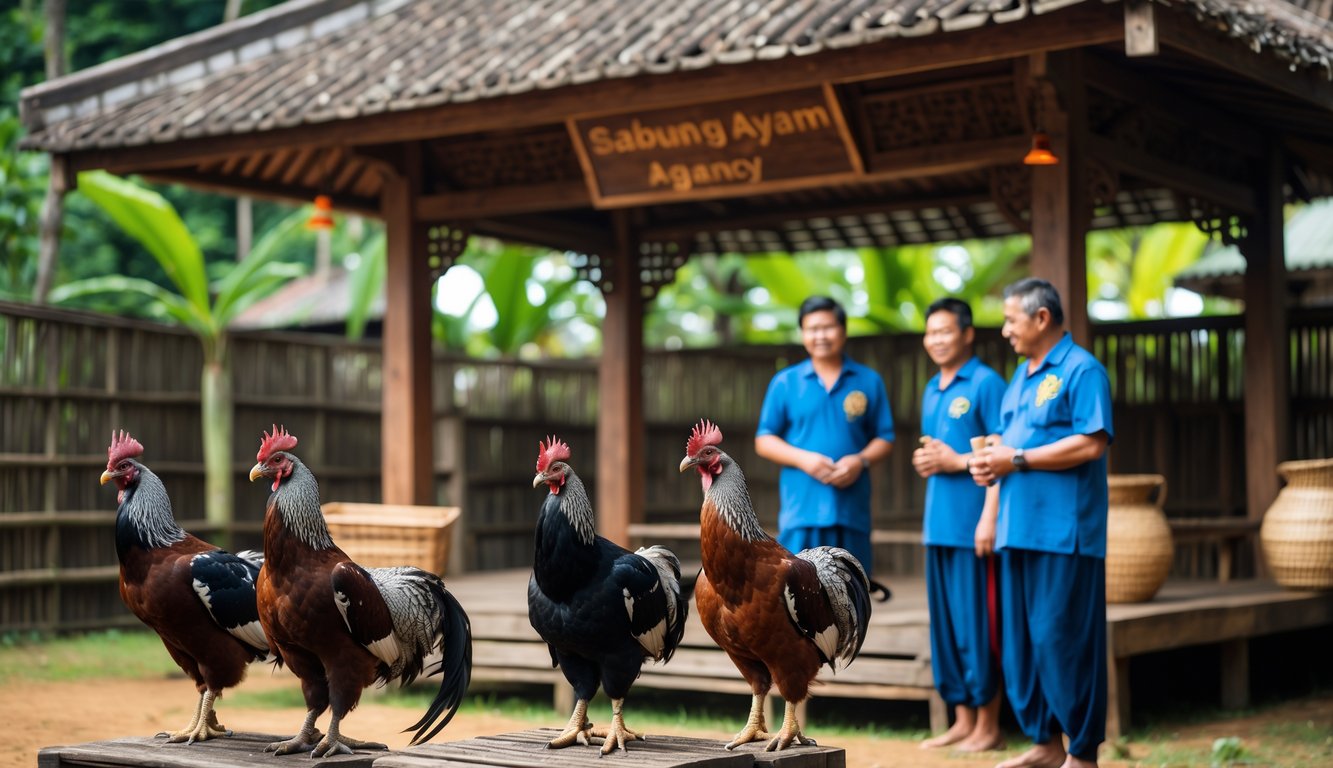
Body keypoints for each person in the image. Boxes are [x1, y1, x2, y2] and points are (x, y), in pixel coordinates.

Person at [970, 278, 1113, 768]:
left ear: (1042, 318)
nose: (1005, 329)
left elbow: (1092, 442)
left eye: (1011, 319)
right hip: (1018, 529)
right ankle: (1045, 744)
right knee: (1023, 645)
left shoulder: (1081, 369)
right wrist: (990, 461)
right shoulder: (1020, 377)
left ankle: (1083, 753)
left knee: (1062, 639)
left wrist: (1017, 458)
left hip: (1064, 534)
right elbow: (1008, 444)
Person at [912, 298, 1007, 752]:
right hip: (939, 525)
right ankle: (961, 720)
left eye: (946, 331)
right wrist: (930, 462)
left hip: (974, 527)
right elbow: (944, 454)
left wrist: (990, 517)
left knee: (978, 626)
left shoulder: (987, 383)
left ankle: (989, 725)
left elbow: (1002, 454)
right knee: (947, 628)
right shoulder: (932, 387)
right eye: (931, 333)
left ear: (967, 334)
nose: (937, 340)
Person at [755, 296, 895, 574]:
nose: (820, 335)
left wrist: (860, 461)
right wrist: (803, 459)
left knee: (854, 589)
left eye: (828, 327)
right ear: (803, 334)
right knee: (798, 589)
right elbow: (764, 439)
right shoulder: (785, 382)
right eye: (812, 329)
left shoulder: (868, 380)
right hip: (801, 511)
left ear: (843, 330)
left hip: (851, 512)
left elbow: (885, 437)